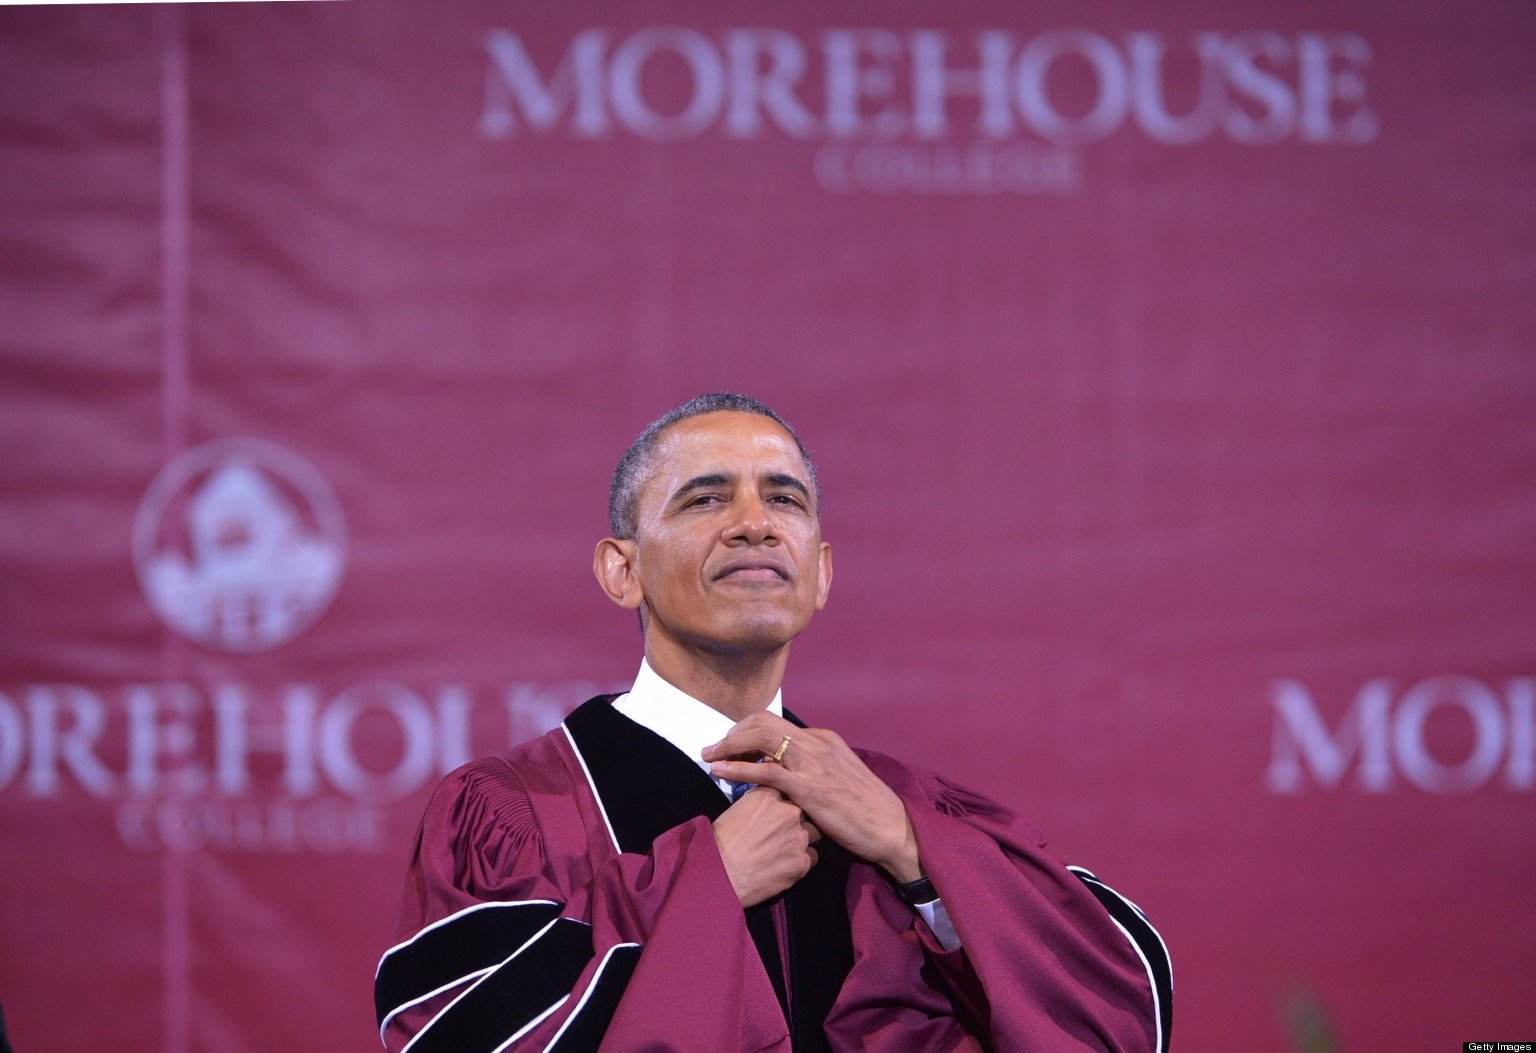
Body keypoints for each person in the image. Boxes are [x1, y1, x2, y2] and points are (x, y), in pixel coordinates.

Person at [375, 393, 1171, 1053]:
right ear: (623, 571)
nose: (755, 523)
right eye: (707, 497)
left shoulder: (900, 808)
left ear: (820, 571)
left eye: (784, 498)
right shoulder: (517, 809)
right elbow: (457, 1033)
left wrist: (911, 848)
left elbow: (1117, 1015)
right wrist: (703, 881)